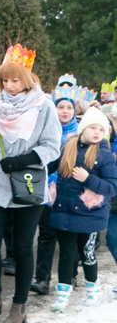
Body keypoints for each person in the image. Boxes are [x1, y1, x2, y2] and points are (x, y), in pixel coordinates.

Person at [0, 45, 62, 323]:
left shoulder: (44, 106)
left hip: (28, 185)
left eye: (15, 80)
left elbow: (52, 147)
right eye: (4, 80)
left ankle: (19, 304)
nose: (9, 86)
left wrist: (24, 160)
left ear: (27, 79)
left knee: (22, 246)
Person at [48, 107, 117, 311]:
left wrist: (89, 179)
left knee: (87, 254)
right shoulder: (67, 147)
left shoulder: (104, 155)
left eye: (101, 129)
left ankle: (92, 288)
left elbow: (112, 187)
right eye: (93, 127)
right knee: (67, 254)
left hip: (90, 215)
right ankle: (62, 294)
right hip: (64, 210)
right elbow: (49, 165)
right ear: (83, 128)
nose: (97, 132)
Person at [30, 88, 79, 296]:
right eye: (60, 107)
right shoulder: (45, 130)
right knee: (46, 235)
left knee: (70, 236)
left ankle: (71, 275)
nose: (64, 111)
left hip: (71, 192)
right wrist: (48, 184)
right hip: (47, 192)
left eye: (69, 107)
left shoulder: (80, 134)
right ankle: (42, 279)